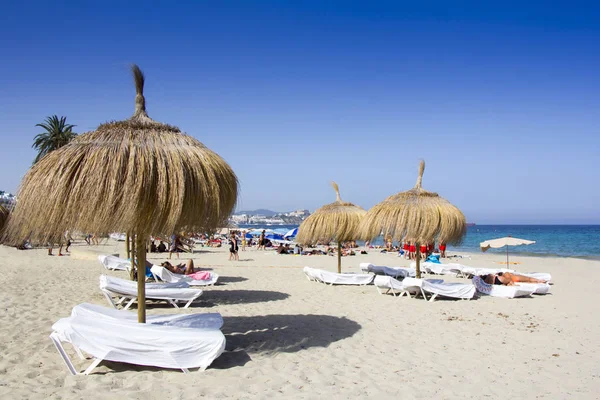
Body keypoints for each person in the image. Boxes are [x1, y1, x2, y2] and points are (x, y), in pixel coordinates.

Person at [482, 272, 547, 285]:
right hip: (511, 278)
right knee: (528, 279)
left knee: (527, 280)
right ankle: (539, 281)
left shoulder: (505, 276)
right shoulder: (507, 275)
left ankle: (538, 281)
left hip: (509, 279)